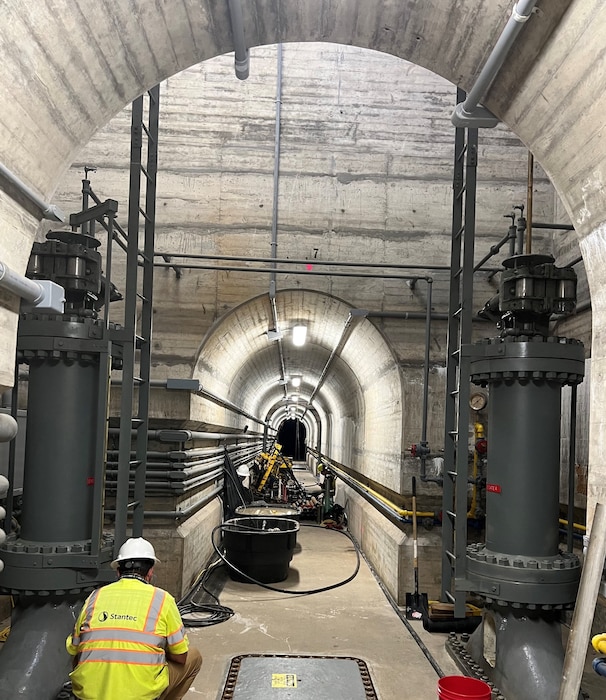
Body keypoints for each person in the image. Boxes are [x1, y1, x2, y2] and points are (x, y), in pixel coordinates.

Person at [66, 537, 202, 700]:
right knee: (194, 657)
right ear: (150, 572)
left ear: (118, 571)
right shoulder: (163, 599)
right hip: (140, 695)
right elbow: (181, 656)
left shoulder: (94, 597)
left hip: (88, 695)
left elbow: (73, 649)